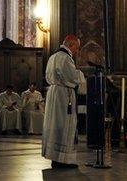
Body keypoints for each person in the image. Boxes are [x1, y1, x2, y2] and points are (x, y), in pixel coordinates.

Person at [42, 35, 85, 168]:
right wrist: (82, 76)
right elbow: (73, 77)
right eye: (77, 48)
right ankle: (63, 160)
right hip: (63, 96)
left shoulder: (53, 57)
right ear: (71, 44)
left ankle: (56, 158)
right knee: (65, 126)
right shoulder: (65, 58)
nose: (77, 51)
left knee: (55, 126)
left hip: (54, 93)